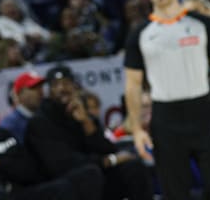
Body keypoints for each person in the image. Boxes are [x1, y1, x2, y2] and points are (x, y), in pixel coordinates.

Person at [124, 0, 210, 200]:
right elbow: (132, 85)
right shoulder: (140, 34)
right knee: (174, 192)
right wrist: (136, 129)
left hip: (204, 113)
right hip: (165, 119)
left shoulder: (204, 25)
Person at [0, 84, 101, 200]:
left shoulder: (3, 133)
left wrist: (0, 164)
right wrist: (10, 168)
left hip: (20, 190)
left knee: (62, 187)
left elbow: (29, 168)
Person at [25, 65, 152, 200]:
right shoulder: (40, 121)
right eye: (55, 85)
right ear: (49, 91)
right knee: (90, 174)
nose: (62, 88)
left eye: (66, 83)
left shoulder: (82, 112)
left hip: (91, 174)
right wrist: (106, 161)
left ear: (74, 86)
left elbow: (107, 149)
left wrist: (86, 122)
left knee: (133, 167)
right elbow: (61, 164)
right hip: (57, 182)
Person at [0, 72, 45, 143]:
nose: (40, 92)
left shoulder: (44, 115)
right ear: (19, 93)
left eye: (40, 87)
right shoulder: (9, 125)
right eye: (33, 87)